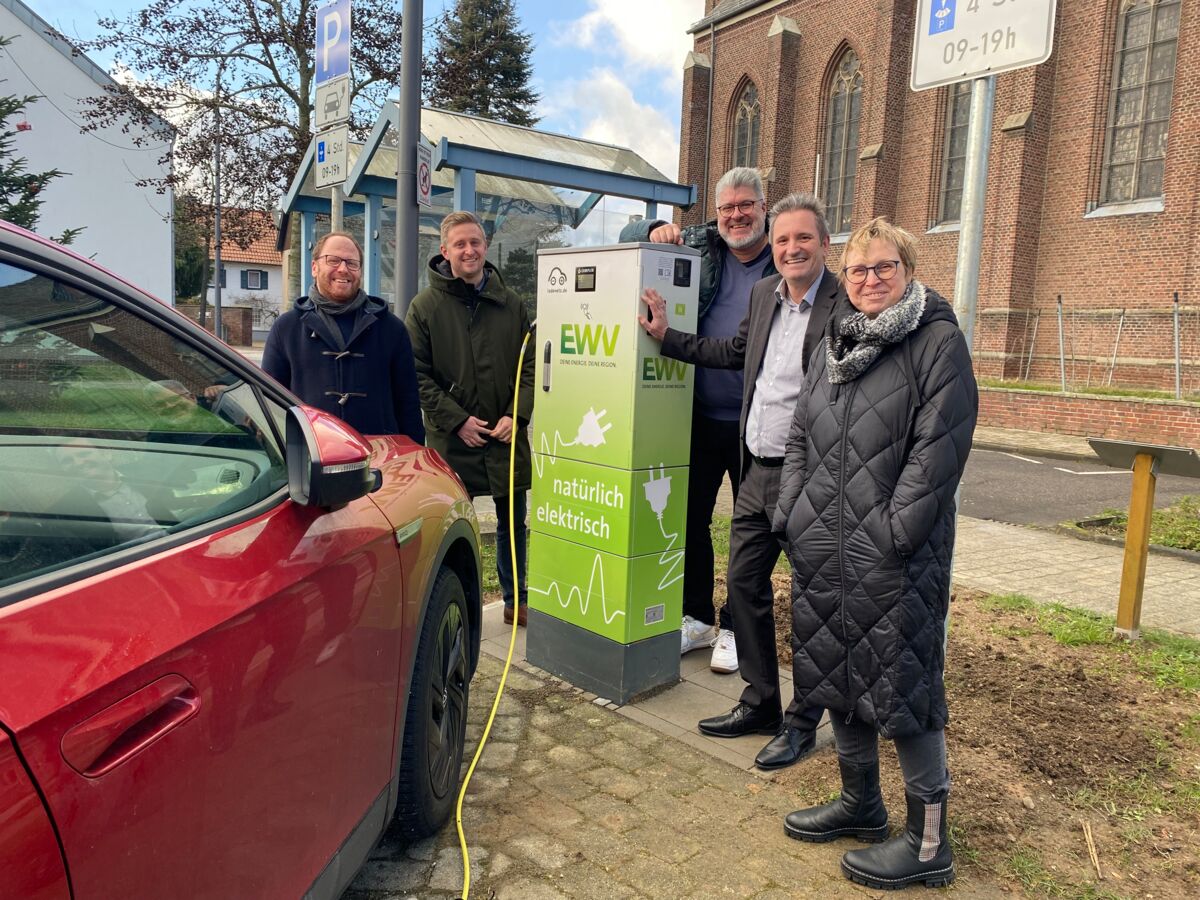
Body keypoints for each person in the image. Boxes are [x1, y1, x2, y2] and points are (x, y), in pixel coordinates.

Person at [773, 217, 977, 889]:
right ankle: (860, 804)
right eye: (858, 269)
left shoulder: (937, 342)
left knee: (908, 688)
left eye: (884, 267)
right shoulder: (835, 342)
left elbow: (939, 447)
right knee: (836, 671)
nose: (869, 279)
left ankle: (927, 843)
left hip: (895, 557)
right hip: (823, 546)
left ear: (908, 269)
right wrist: (793, 512)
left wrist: (895, 534)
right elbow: (800, 434)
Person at [638, 192, 838, 771]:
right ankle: (761, 703)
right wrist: (667, 337)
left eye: (803, 238)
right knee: (745, 587)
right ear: (774, 245)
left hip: (812, 477)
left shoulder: (843, 304)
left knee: (815, 604)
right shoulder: (764, 293)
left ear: (825, 245)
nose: (792, 248)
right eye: (784, 240)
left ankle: (804, 722)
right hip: (758, 469)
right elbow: (732, 351)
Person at [620, 167, 777, 673]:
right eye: (727, 207)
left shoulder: (783, 256)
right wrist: (652, 230)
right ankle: (698, 617)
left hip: (758, 425)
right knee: (689, 520)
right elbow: (626, 236)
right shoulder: (703, 247)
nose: (736, 216)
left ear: (764, 206)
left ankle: (734, 626)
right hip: (700, 417)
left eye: (746, 205)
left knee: (752, 533)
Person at [406, 211, 535, 626]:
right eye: (460, 244)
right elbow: (415, 374)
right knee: (453, 528)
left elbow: (530, 367)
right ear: (444, 251)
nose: (469, 250)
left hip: (504, 437)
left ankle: (516, 600)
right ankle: (460, 605)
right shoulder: (425, 308)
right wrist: (457, 420)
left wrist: (516, 415)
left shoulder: (511, 304)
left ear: (486, 246)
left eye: (475, 242)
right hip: (453, 442)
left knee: (512, 524)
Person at [261, 231, 425, 442]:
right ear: (314, 267)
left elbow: (408, 403)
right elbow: (269, 402)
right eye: (333, 260)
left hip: (379, 453)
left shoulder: (391, 329)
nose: (343, 269)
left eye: (352, 263)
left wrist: (414, 452)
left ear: (360, 271)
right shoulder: (286, 328)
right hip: (310, 453)